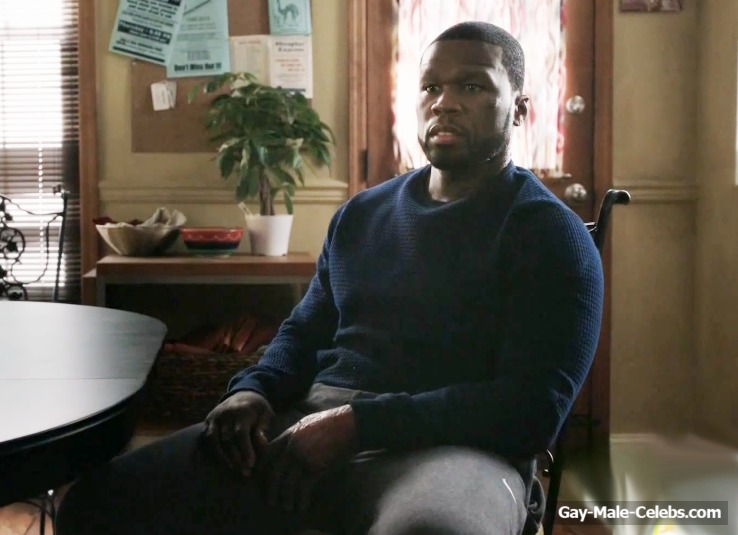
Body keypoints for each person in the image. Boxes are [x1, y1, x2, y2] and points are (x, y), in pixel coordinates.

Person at [56, 21, 603, 535]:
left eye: (473, 86)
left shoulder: (549, 235)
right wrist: (254, 389)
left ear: (520, 108)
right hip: (310, 424)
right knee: (98, 501)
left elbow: (530, 412)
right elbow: (304, 331)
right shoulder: (363, 215)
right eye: (431, 87)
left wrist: (356, 425)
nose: (444, 102)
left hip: (456, 450)